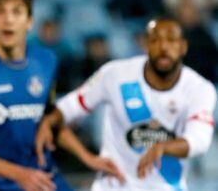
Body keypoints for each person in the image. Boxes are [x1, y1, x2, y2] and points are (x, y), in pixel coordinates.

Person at [0, 0, 117, 191]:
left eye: (16, 12)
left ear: (29, 22)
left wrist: (88, 157)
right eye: (0, 12)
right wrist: (19, 174)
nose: (8, 20)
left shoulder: (45, 61)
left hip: (43, 178)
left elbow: (49, 119)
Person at [36, 19, 216, 191]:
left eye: (171, 40)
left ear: (183, 47)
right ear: (146, 45)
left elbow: (199, 140)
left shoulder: (200, 89)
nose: (163, 47)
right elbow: (68, 108)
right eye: (156, 40)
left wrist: (163, 146)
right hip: (113, 186)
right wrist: (86, 156)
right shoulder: (114, 74)